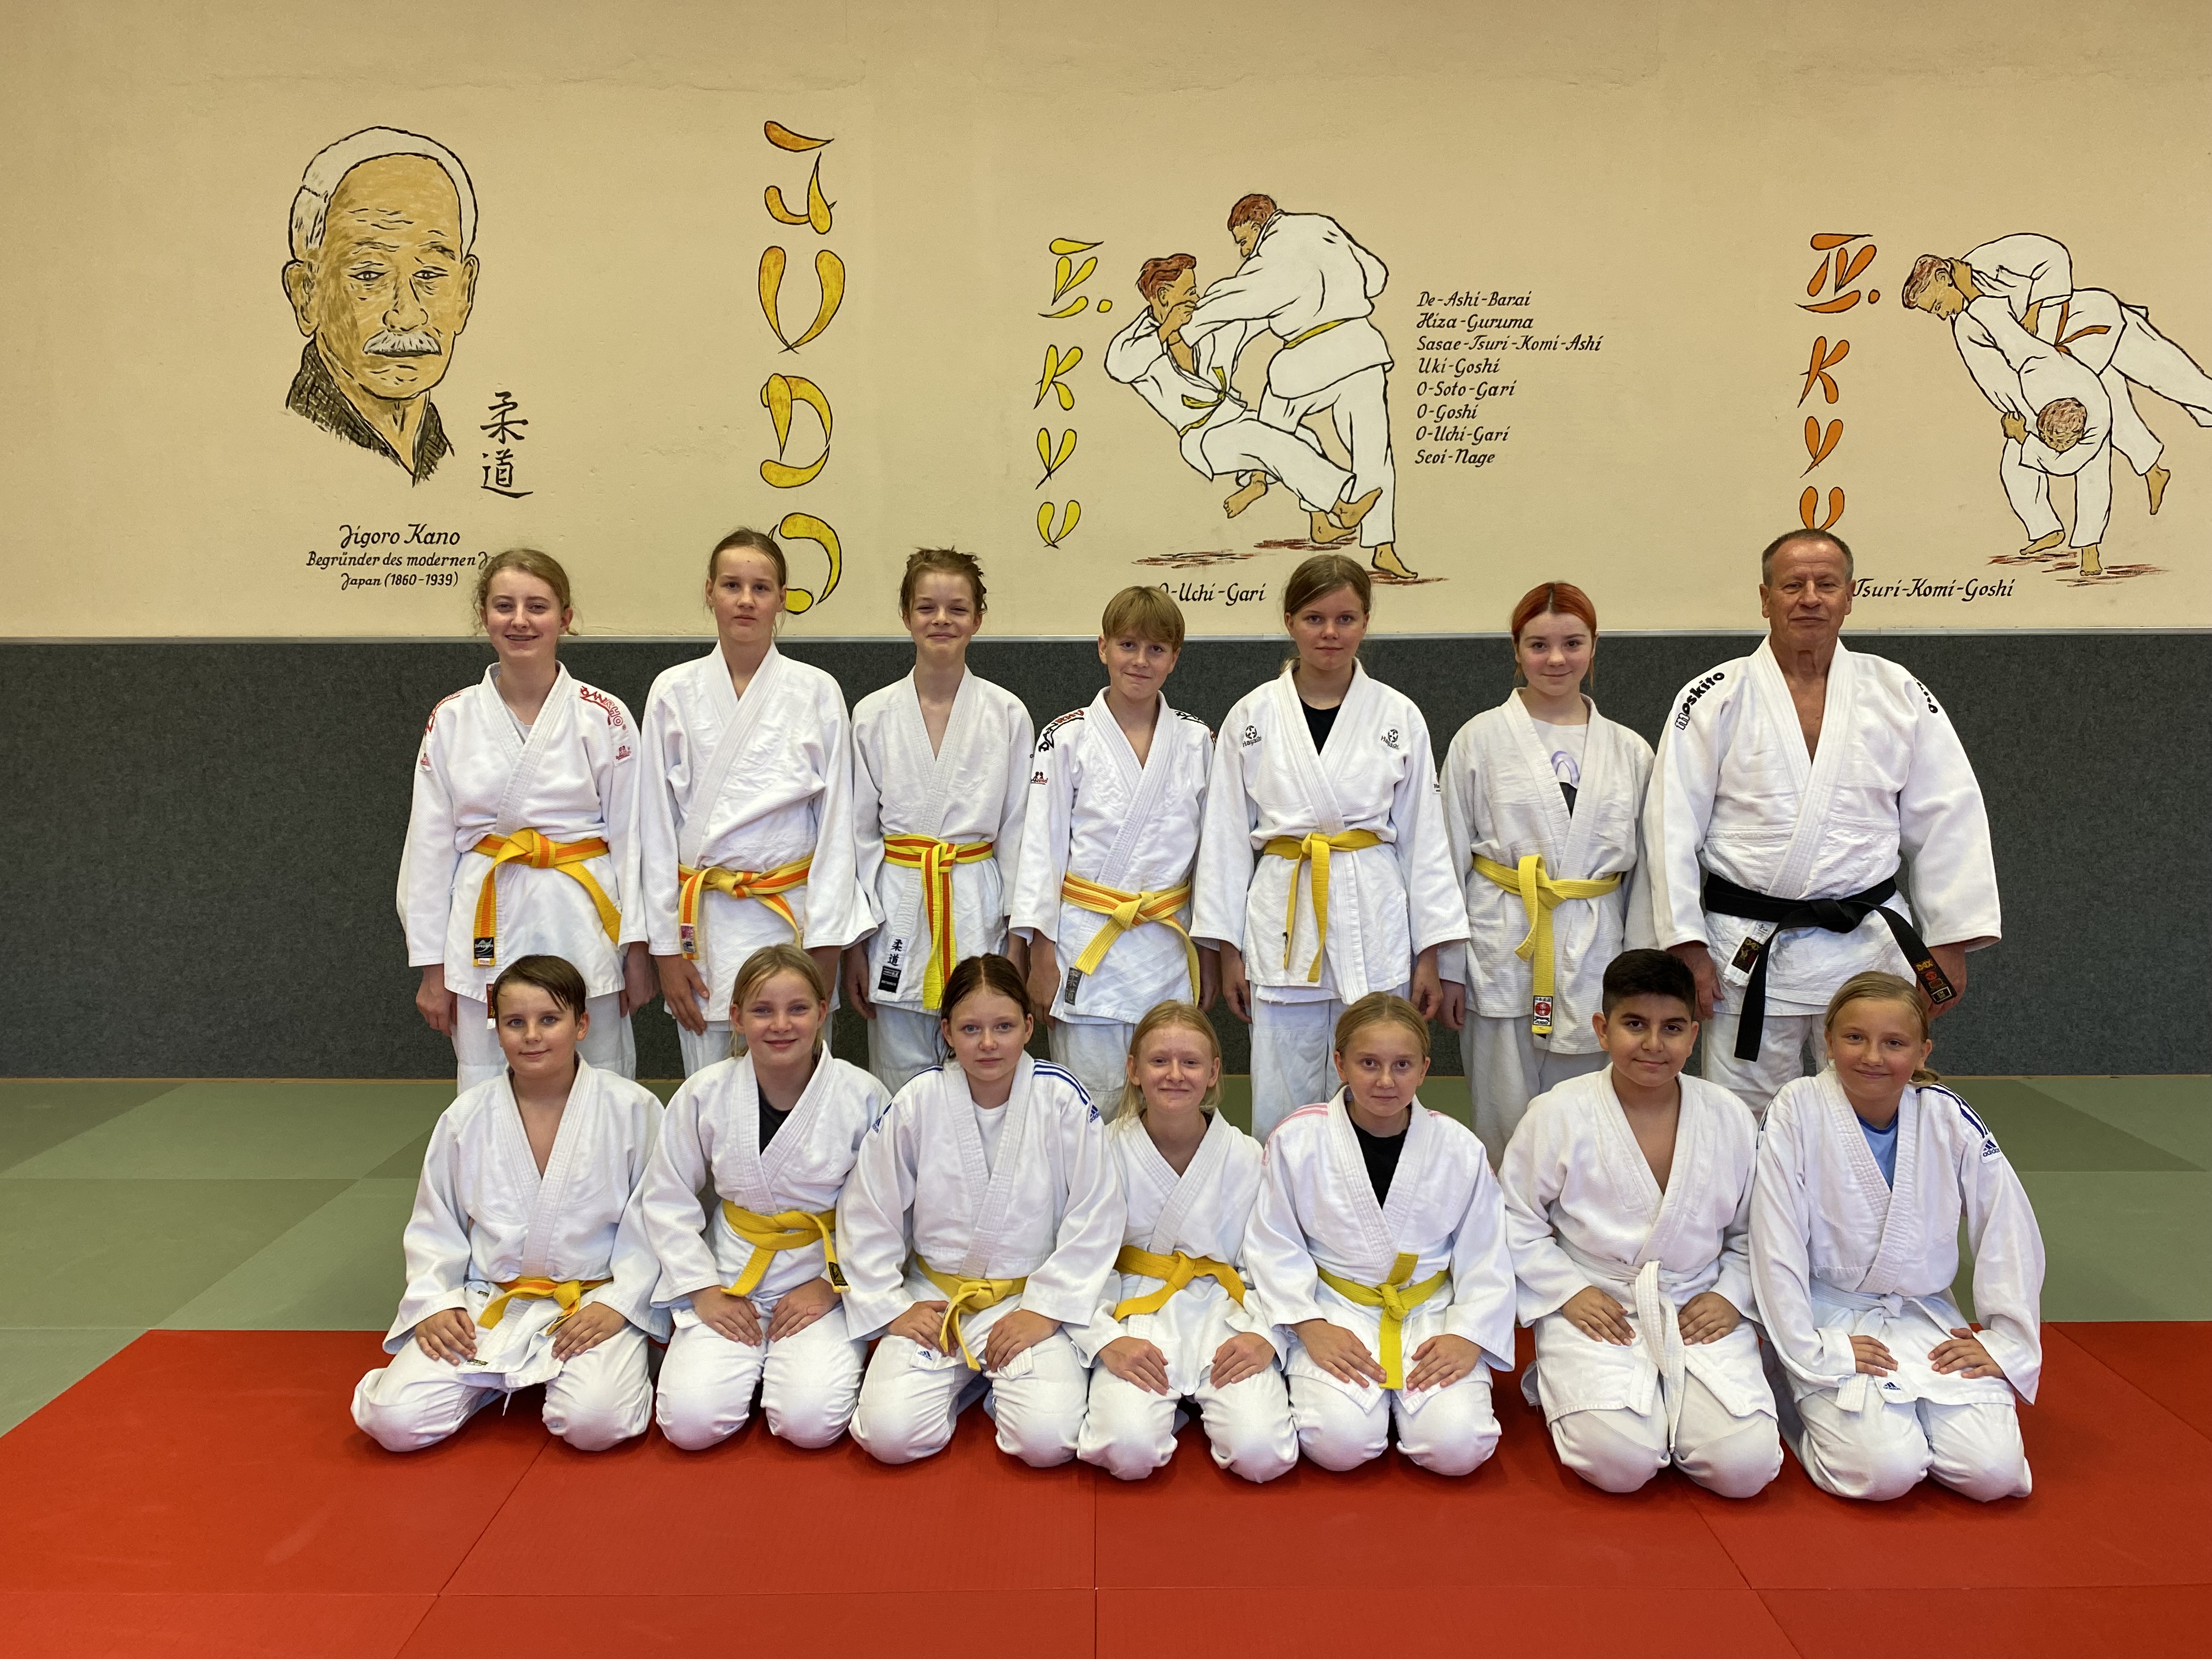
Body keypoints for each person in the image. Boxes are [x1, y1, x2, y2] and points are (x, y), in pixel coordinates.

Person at [1643, 529, 2000, 1120]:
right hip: (1748, 951)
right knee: (1745, 1121)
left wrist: (1949, 939)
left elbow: (1949, 815)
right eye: (1793, 585)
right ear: (1765, 599)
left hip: (1869, 950)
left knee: (1872, 1108)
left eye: (1826, 584)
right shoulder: (1714, 696)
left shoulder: (1898, 692)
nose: (1810, 597)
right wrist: (1686, 943)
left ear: (1850, 596)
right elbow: (1669, 827)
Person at [1195, 553, 1467, 1141]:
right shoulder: (1252, 715)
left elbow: (1425, 841)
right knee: (1281, 1094)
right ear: (1290, 622)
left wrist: (1431, 955)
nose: (1330, 633)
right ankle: (1283, 1194)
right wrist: (1228, 950)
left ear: (1366, 622)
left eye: (1346, 619)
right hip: (1284, 915)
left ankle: (1369, 1195)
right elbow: (1224, 840)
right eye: (1315, 618)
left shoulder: (1398, 714)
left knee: (1375, 1084)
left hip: (1374, 915)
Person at [352, 955, 663, 1452]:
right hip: (488, 1301)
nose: (532, 1036)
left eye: (549, 1020)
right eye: (515, 1022)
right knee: (393, 1421)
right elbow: (435, 1223)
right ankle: (491, 1379)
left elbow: (655, 1223)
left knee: (595, 1425)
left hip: (589, 1304)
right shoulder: (467, 1116)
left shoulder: (633, 1109)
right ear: (497, 1031)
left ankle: (616, 1361)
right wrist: (436, 1302)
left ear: (582, 1025)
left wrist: (621, 1305)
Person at [1751, 972, 2042, 1503]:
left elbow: (2007, 1223)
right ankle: (1785, 1382)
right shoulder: (1796, 1109)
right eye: (1855, 1038)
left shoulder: (1946, 1114)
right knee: (1884, 1473)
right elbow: (1774, 1241)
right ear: (1828, 1041)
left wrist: (2008, 1342)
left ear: (1922, 1050)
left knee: (1995, 1474)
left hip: (1924, 1315)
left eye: (1894, 1043)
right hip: (1829, 1318)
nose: (1872, 1057)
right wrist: (1808, 1349)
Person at [1499, 950, 1780, 1498]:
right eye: (1634, 1024)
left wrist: (1731, 1296)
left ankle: (1685, 1414)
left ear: (1693, 1036)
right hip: (1598, 1302)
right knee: (1618, 1464)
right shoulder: (1557, 1112)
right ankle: (1581, 1388)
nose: (1653, 1044)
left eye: (1672, 1028)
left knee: (1744, 1468)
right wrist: (1567, 1292)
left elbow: (1756, 1231)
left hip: (1697, 1300)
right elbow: (1515, 1218)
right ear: (1602, 1029)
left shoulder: (1727, 1115)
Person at [839, 955, 1120, 1467]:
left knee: (1047, 1442)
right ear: (947, 1031)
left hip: (1027, 1300)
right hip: (936, 1300)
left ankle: (989, 1382)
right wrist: (892, 1305)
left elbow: (1096, 1214)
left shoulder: (1062, 1100)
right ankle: (971, 1380)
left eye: (1004, 1027)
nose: (988, 1043)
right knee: (888, 1436)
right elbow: (869, 1208)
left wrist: (1046, 1309)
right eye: (971, 1029)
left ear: (1029, 1027)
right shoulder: (918, 1100)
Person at [399, 549, 652, 1093]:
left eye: (537, 606)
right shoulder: (452, 718)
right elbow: (428, 848)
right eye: (504, 606)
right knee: (487, 1080)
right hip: (487, 918)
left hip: (583, 919)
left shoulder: (603, 715)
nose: (520, 620)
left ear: (565, 618)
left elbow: (634, 839)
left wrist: (638, 950)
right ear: (484, 616)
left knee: (599, 1077)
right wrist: (431, 967)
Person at [1243, 992, 1515, 1476]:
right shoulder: (1296, 1139)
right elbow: (1274, 1242)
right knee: (1339, 1446)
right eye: (1369, 1063)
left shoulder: (1460, 1147)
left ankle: (1413, 1408)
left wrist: (1468, 1334)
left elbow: (1486, 1252)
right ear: (1340, 1064)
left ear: (1424, 1069)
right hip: (1335, 1308)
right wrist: (1309, 1324)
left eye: (1402, 1065)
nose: (1386, 1081)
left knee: (1458, 1449)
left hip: (1429, 1312)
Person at [641, 528, 871, 1076]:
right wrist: (666, 952)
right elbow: (653, 828)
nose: (745, 600)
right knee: (710, 1090)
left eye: (761, 588)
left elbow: (838, 828)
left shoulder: (817, 691)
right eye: (731, 585)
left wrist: (827, 947)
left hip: (791, 923)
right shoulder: (672, 691)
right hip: (705, 930)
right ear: (709, 592)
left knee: (798, 1087)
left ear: (782, 599)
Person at [641, 944, 888, 1451]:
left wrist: (831, 1286)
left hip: (823, 1274)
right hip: (732, 1276)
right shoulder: (704, 1093)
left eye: (797, 1009)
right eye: (762, 1010)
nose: (780, 1025)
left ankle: (785, 1369)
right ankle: (750, 1367)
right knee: (688, 1424)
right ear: (736, 1017)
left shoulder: (862, 1095)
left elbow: (884, 1212)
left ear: (823, 1012)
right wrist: (703, 1290)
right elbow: (667, 1199)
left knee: (810, 1424)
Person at [1442, 581, 1654, 1164]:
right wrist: (1448, 966)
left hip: (1596, 946)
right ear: (1516, 650)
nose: (1556, 659)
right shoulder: (1478, 739)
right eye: (1538, 645)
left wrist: (1640, 972)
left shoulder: (1631, 750)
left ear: (1594, 646)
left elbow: (1648, 875)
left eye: (1572, 643)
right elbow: (1447, 856)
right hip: (1503, 942)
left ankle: (1583, 1213)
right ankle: (1503, 1217)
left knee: (1589, 1119)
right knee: (1502, 1117)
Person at [1012, 585, 1218, 1114]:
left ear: (1175, 657)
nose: (1140, 661)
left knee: (1167, 1104)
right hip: (1086, 948)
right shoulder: (1065, 737)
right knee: (1088, 1107)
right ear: (1102, 647)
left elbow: (1212, 859)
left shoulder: (1197, 741)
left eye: (1156, 649)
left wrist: (1211, 952)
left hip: (1166, 949)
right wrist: (1040, 955)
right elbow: (1040, 852)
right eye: (1128, 645)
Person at [1073, 1002, 1298, 1483]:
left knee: (1262, 1454)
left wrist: (1267, 1335)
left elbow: (1276, 1258)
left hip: (1225, 1314)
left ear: (1214, 1072)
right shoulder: (1103, 1149)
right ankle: (1167, 1407)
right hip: (1134, 1314)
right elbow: (1077, 1261)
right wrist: (1106, 1341)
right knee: (1127, 1451)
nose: (1175, 1075)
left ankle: (1194, 1402)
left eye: (1190, 1062)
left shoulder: (1246, 1155)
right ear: (1133, 1070)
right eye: (1159, 1061)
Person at [847, 550, 1035, 1094]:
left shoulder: (1007, 714)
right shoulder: (873, 715)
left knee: (984, 1066)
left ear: (978, 619)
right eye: (927, 607)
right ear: (906, 615)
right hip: (897, 910)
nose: (941, 620)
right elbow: (856, 838)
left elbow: (1020, 834)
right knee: (899, 1084)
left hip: (976, 904)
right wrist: (856, 944)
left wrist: (1019, 941)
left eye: (957, 608)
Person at [1180, 194, 1410, 579]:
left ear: (1259, 224)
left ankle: (1276, 489)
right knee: (1373, 451)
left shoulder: (1274, 248)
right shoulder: (1323, 225)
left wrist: (1189, 326)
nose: (1243, 251)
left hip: (1309, 356)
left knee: (1271, 431)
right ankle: (1382, 547)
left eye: (1243, 240)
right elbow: (1376, 275)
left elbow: (1241, 296)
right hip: (1362, 347)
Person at [1103, 254, 1379, 542]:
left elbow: (1248, 317)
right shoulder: (1134, 341)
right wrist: (1166, 330)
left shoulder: (1201, 323)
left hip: (1235, 417)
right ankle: (1341, 508)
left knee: (1304, 437)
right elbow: (1120, 368)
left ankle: (1319, 524)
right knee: (1267, 443)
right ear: (1163, 295)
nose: (1196, 298)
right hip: (1203, 435)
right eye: (1190, 292)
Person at [281, 127, 479, 480]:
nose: (406, 315)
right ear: (307, 294)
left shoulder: (446, 459)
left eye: (430, 275)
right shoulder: (290, 450)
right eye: (370, 275)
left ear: (464, 293)